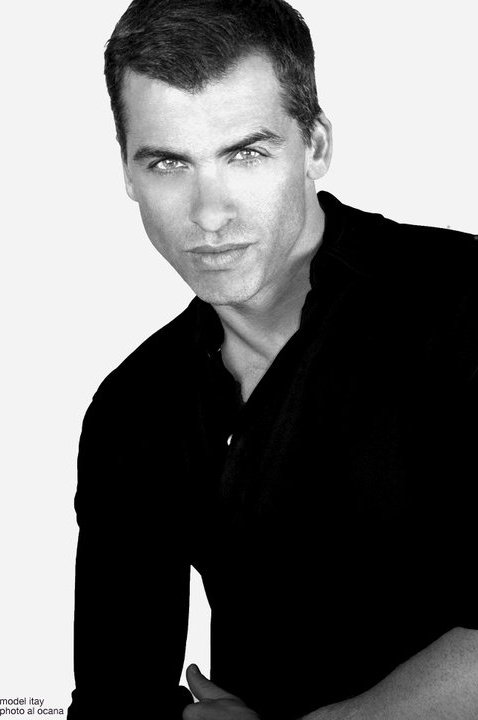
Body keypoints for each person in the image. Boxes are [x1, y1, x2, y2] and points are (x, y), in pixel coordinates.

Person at [67, 0, 478, 718]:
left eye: (246, 154)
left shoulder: (465, 300)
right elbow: (114, 698)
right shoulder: (134, 407)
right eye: (168, 163)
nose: (210, 214)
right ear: (128, 171)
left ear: (315, 146)